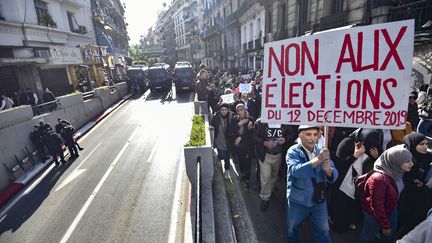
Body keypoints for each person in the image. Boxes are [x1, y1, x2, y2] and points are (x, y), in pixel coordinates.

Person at [285, 125, 338, 243]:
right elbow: (296, 171)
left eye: (315, 134)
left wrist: (329, 171)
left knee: (324, 231)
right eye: (308, 134)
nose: (312, 138)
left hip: (318, 200)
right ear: (300, 135)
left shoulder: (322, 150)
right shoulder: (293, 151)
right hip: (298, 200)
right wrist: (318, 159)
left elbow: (333, 173)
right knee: (292, 229)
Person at [329, 129, 382, 233]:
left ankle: (350, 221)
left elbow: (376, 165)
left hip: (357, 182)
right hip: (342, 181)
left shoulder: (373, 148)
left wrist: (376, 157)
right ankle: (337, 225)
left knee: (352, 203)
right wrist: (355, 156)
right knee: (340, 204)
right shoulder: (347, 143)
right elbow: (340, 164)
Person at [360, 145, 414, 243]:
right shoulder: (379, 179)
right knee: (368, 236)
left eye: (411, 160)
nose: (412, 164)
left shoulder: (397, 171)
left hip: (391, 209)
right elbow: (377, 206)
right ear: (395, 160)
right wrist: (386, 226)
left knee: (389, 237)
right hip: (374, 214)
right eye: (407, 161)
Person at [253, 119, 297, 211]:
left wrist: (285, 139)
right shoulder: (260, 123)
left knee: (274, 175)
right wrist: (265, 143)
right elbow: (253, 136)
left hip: (278, 154)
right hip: (264, 155)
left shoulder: (284, 122)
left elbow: (293, 134)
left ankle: (270, 190)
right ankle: (265, 198)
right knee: (265, 177)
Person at [398, 133, 432, 236]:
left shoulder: (426, 156)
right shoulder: (403, 156)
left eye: (427, 144)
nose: (425, 147)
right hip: (403, 193)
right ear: (413, 144)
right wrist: (411, 181)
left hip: (418, 193)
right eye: (422, 144)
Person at [229, 103, 254, 191]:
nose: (240, 112)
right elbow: (231, 131)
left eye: (241, 110)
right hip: (239, 146)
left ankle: (247, 181)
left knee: (248, 163)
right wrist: (240, 124)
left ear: (245, 110)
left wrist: (249, 129)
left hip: (248, 146)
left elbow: (252, 134)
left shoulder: (250, 119)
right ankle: (243, 174)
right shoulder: (234, 119)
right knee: (241, 162)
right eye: (238, 110)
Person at [211, 103, 234, 179]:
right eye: (222, 110)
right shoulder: (215, 117)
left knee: (227, 157)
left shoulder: (232, 116)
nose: (224, 111)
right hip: (219, 140)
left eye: (225, 110)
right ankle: (219, 158)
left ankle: (226, 171)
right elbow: (212, 126)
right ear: (220, 110)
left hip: (229, 141)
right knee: (222, 155)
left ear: (228, 110)